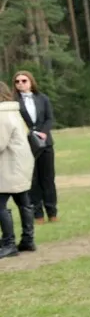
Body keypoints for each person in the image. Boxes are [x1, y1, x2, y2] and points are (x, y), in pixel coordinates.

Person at [13, 71, 56, 223]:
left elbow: (50, 118)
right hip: (27, 145)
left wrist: (43, 133)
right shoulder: (15, 102)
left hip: (45, 143)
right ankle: (38, 214)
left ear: (31, 81)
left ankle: (52, 212)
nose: (20, 84)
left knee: (48, 178)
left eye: (24, 81)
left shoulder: (42, 98)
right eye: (17, 82)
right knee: (33, 180)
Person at [0, 81, 35, 258]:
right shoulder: (14, 112)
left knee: (0, 205)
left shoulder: (1, 115)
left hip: (9, 166)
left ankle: (9, 243)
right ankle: (28, 240)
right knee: (23, 202)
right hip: (21, 163)